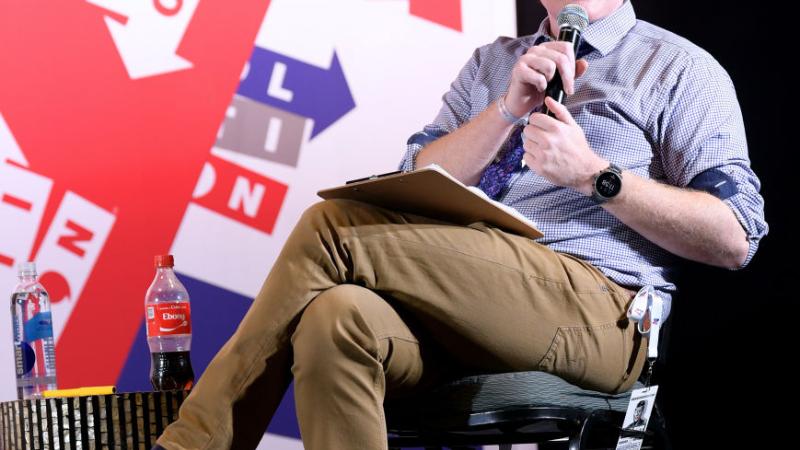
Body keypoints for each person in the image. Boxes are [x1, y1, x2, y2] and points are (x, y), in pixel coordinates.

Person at [154, 1, 767, 449]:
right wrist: (504, 110)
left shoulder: (676, 67)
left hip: (602, 313)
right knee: (335, 318)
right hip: (465, 300)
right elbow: (413, 176)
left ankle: (191, 444)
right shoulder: (493, 62)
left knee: (333, 226)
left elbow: (735, 236)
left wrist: (596, 177)